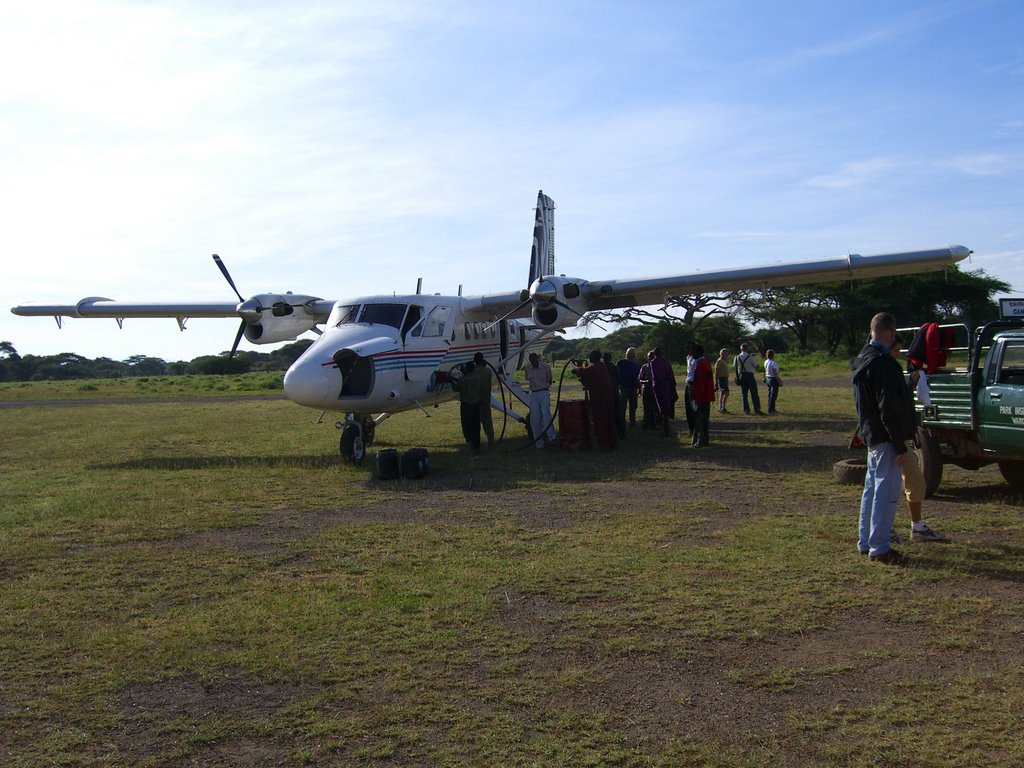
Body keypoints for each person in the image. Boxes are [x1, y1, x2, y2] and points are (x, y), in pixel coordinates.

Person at [852, 312, 916, 564]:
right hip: (885, 436)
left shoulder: (862, 359)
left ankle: (866, 541)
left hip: (871, 433)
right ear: (890, 333)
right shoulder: (885, 363)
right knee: (886, 491)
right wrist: (900, 443)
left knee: (871, 489)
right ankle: (879, 548)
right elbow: (888, 406)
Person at [890, 334, 945, 542]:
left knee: (913, 482)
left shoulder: (890, 370)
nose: (898, 355)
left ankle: (916, 526)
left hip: (899, 438)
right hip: (894, 440)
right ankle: (893, 529)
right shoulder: (885, 369)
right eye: (896, 351)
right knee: (895, 485)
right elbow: (889, 408)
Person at [573, 350, 618, 451]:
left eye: (590, 356)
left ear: (594, 357)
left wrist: (576, 367)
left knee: (601, 423)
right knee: (610, 423)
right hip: (608, 399)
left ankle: (604, 446)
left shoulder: (595, 367)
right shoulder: (602, 366)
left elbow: (583, 372)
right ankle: (613, 444)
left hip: (600, 400)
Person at [524, 352, 556, 448]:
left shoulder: (545, 367)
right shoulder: (528, 368)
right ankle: (539, 442)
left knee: (546, 415)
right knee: (535, 418)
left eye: (534, 360)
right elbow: (528, 379)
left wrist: (544, 389)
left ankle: (551, 437)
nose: (533, 362)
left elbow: (549, 380)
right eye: (531, 361)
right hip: (533, 393)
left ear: (538, 359)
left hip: (544, 392)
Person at [451, 361, 481, 453]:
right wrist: (464, 372)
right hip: (476, 404)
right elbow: (467, 378)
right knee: (476, 424)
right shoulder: (477, 377)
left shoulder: (463, 380)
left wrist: (451, 380)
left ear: (466, 369)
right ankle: (477, 444)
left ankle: (470, 442)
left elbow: (455, 388)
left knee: (467, 425)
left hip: (466, 406)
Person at [690, 343, 715, 447]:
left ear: (697, 352)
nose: (691, 354)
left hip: (702, 396)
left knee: (700, 418)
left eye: (693, 352)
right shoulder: (706, 362)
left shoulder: (700, 364)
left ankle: (701, 440)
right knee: (705, 419)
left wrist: (696, 398)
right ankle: (705, 440)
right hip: (707, 394)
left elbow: (700, 383)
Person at [649, 347, 674, 435]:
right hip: (666, 385)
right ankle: (666, 428)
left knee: (661, 407)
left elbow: (654, 376)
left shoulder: (653, 362)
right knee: (665, 406)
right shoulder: (666, 362)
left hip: (658, 386)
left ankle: (665, 429)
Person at [733, 343, 764, 415]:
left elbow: (735, 366)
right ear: (747, 349)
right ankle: (757, 409)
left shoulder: (737, 357)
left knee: (744, 393)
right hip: (750, 375)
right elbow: (757, 366)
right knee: (754, 393)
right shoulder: (750, 357)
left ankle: (746, 409)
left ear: (741, 349)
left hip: (741, 376)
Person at [473, 352, 495, 449]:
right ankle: (491, 442)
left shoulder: (474, 372)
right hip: (486, 400)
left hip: (477, 402)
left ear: (475, 361)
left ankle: (476, 444)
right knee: (488, 423)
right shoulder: (488, 371)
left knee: (476, 424)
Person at [604, 352, 627, 438]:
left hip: (611, 393)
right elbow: (619, 379)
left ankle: (618, 432)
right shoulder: (613, 367)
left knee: (615, 413)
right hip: (613, 392)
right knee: (617, 413)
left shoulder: (610, 368)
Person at [616, 347, 641, 428]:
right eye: (629, 354)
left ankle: (632, 422)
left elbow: (638, 377)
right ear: (626, 354)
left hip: (633, 387)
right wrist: (618, 384)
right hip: (623, 387)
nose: (630, 355)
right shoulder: (620, 363)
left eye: (632, 354)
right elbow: (616, 374)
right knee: (622, 406)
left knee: (633, 406)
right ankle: (622, 422)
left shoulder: (636, 364)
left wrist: (639, 388)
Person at [638, 354, 658, 430]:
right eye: (649, 358)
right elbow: (640, 379)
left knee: (655, 409)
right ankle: (646, 424)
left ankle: (655, 424)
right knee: (646, 408)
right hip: (646, 390)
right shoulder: (644, 367)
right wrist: (646, 381)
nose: (651, 360)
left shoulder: (658, 367)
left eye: (652, 358)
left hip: (655, 390)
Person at [683, 343, 697, 438]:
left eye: (690, 349)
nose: (689, 351)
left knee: (694, 408)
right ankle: (691, 428)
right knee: (688, 407)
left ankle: (695, 429)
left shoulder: (697, 359)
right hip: (688, 383)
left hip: (694, 384)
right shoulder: (688, 358)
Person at [764, 349, 781, 414]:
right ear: (773, 355)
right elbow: (775, 373)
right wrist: (779, 380)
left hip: (768, 378)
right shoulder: (773, 363)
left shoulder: (766, 361)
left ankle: (770, 408)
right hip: (773, 379)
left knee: (770, 394)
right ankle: (771, 410)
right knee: (773, 395)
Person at [714, 348, 730, 413]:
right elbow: (716, 371)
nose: (727, 355)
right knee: (725, 393)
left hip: (725, 379)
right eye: (725, 354)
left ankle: (722, 407)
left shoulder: (724, 361)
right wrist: (716, 381)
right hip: (721, 379)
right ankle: (722, 407)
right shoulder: (719, 361)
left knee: (724, 393)